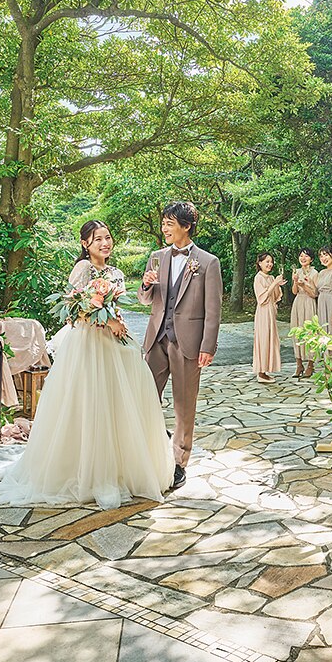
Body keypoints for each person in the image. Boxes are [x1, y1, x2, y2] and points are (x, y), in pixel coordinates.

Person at [0, 221, 172, 509]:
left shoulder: (116, 273)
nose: (105, 243)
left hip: (115, 344)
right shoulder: (82, 269)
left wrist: (116, 320)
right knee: (88, 403)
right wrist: (107, 320)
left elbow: (117, 306)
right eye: (98, 239)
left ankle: (122, 469)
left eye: (108, 238)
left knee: (117, 403)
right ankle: (88, 471)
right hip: (87, 345)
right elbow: (75, 310)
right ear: (85, 244)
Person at [140, 202, 223, 490]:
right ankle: (151, 449)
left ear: (186, 227)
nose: (164, 228)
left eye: (169, 223)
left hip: (188, 343)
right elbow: (145, 299)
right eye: (163, 223)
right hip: (156, 340)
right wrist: (146, 285)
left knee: (184, 406)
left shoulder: (208, 263)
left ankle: (179, 462)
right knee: (144, 397)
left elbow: (213, 310)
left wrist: (208, 346)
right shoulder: (156, 257)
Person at [253, 253, 284, 383]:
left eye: (271, 262)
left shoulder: (271, 277)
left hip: (271, 310)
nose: (270, 264)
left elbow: (276, 296)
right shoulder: (258, 278)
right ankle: (261, 372)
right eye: (267, 261)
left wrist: (277, 284)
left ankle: (266, 369)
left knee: (271, 339)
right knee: (263, 339)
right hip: (263, 311)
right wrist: (274, 283)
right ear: (260, 263)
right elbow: (262, 298)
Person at [291, 247, 319, 378]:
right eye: (301, 256)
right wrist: (295, 282)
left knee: (310, 333)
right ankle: (299, 364)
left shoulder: (315, 273)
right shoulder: (296, 271)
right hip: (298, 302)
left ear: (311, 259)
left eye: (306, 256)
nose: (303, 258)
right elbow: (294, 291)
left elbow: (315, 294)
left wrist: (304, 286)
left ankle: (310, 365)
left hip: (309, 303)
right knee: (296, 332)